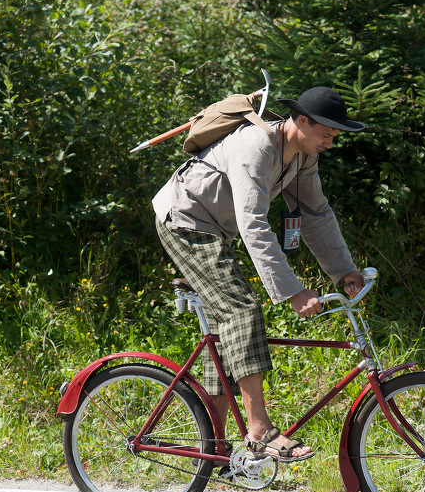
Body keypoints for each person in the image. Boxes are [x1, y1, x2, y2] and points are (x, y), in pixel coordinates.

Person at [152, 86, 366, 462]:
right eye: (327, 134)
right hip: (184, 220)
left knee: (225, 333)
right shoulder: (258, 146)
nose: (330, 143)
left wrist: (343, 270)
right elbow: (253, 225)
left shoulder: (301, 156)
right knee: (242, 310)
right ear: (301, 121)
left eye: (335, 136)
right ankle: (259, 431)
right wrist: (293, 291)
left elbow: (315, 214)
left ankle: (213, 448)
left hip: (215, 228)